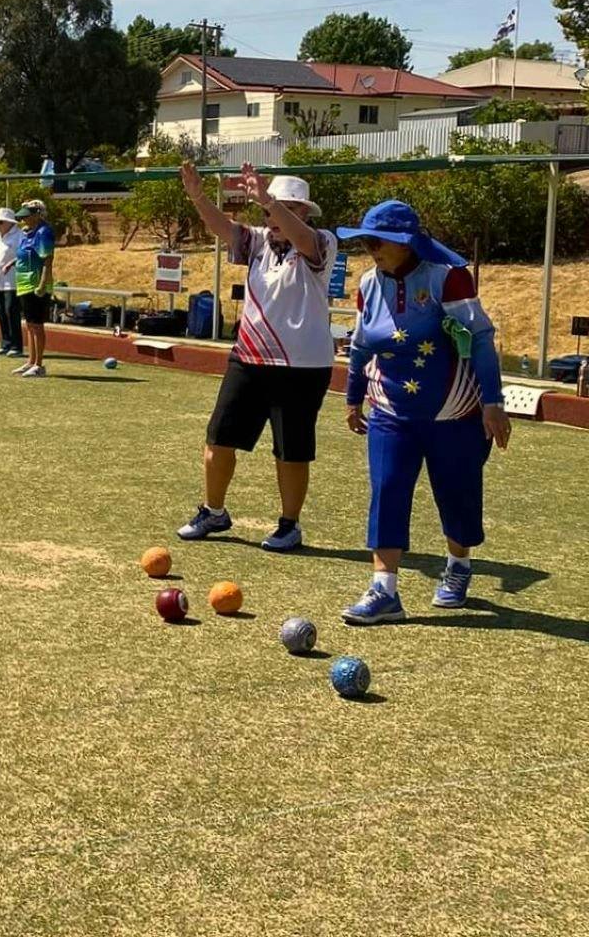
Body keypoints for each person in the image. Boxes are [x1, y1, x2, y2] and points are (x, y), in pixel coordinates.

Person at [337, 198, 510, 623]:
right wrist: (353, 396)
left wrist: (493, 403)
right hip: (390, 409)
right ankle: (384, 590)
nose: (371, 247)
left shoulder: (447, 279)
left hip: (455, 410)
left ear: (408, 242)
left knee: (457, 495)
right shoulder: (367, 284)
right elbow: (360, 345)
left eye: (380, 240)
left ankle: (459, 565)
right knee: (388, 488)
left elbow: (482, 340)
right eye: (367, 240)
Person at [176, 162, 337, 553]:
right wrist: (198, 196)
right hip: (249, 357)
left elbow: (305, 241)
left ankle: (289, 524)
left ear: (303, 212)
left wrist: (267, 198)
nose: (274, 217)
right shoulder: (259, 241)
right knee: (219, 437)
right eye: (269, 211)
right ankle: (214, 510)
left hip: (302, 366)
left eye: (286, 208)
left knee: (292, 449)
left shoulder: (322, 242)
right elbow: (222, 228)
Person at [12, 196, 56, 377]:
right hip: (24, 283)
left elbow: (47, 260)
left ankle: (39, 365)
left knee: (37, 325)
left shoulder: (44, 232)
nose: (23, 220)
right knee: (29, 324)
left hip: (35, 283)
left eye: (27, 216)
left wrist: (41, 284)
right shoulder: (27, 232)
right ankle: (30, 361)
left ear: (38, 214)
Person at [0, 207, 25, 356]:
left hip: (12, 279)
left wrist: (11, 263)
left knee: (11, 310)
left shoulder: (19, 236)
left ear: (9, 223)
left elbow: (23, 253)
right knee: (1, 311)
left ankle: (17, 346)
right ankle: (6, 343)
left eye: (0, 222)